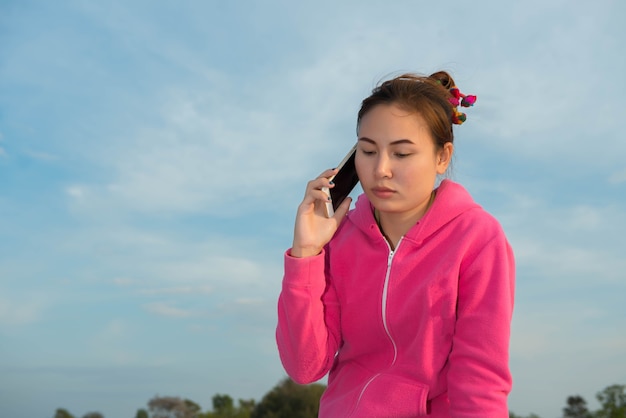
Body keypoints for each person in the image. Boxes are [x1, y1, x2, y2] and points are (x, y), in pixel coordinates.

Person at [276, 71, 515, 417]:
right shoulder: (338, 239)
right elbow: (304, 367)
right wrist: (306, 254)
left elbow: (480, 379)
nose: (381, 169)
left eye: (401, 154)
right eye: (368, 151)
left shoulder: (477, 239)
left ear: (442, 157)